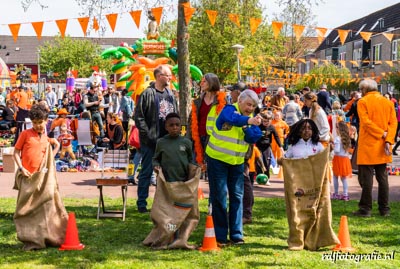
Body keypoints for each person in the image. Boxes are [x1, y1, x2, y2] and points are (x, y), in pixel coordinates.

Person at [205, 89, 262, 246]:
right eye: (248, 104)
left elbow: (254, 136)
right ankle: (221, 236)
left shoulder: (249, 118)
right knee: (220, 196)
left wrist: (248, 126)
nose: (250, 108)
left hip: (237, 163)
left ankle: (237, 235)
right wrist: (248, 123)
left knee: (237, 196)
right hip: (217, 159)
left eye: (253, 106)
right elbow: (231, 118)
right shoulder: (229, 109)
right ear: (240, 101)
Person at [13, 103, 68, 251]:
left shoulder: (45, 138)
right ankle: (29, 237)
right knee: (26, 208)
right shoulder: (25, 134)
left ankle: (43, 236)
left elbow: (50, 156)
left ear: (46, 121)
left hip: (42, 179)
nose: (38, 125)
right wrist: (21, 168)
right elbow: (16, 153)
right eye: (35, 123)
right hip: (28, 177)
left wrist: (56, 146)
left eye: (40, 122)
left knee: (42, 209)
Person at [134, 64, 178, 213]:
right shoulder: (147, 94)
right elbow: (139, 117)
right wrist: (148, 135)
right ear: (159, 76)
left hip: (167, 141)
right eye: (168, 75)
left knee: (165, 174)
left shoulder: (170, 94)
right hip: (150, 142)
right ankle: (141, 203)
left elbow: (175, 115)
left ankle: (163, 204)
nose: (170, 78)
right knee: (147, 171)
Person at [353, 79, 397, 217]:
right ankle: (384, 209)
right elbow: (393, 123)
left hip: (368, 145)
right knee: (382, 178)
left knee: (366, 179)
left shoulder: (363, 102)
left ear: (365, 89)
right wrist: (388, 139)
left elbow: (365, 123)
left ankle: (365, 208)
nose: (361, 92)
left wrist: (381, 134)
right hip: (384, 145)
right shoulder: (387, 102)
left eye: (361, 90)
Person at [188, 73, 225, 172]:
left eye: (204, 81)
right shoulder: (198, 101)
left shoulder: (222, 101)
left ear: (212, 83)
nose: (201, 83)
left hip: (214, 138)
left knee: (214, 170)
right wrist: (185, 136)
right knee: (196, 169)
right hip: (198, 138)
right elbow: (190, 121)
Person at [153, 112, 193, 182]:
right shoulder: (161, 142)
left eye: (177, 125)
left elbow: (191, 160)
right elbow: (155, 159)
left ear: (180, 127)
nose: (175, 127)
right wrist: (156, 165)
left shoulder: (187, 142)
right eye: (171, 125)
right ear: (166, 127)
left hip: (183, 182)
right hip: (166, 182)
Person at [242, 144, 266, 225]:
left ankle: (247, 212)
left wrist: (262, 166)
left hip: (250, 170)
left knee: (248, 188)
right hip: (249, 169)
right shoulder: (255, 148)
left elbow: (259, 158)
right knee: (247, 188)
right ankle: (243, 211)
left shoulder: (254, 148)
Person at [256, 110, 282, 180]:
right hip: (259, 146)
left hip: (267, 147)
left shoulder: (272, 127)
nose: (266, 123)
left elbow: (276, 136)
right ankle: (259, 177)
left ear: (270, 121)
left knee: (267, 162)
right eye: (264, 121)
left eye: (267, 121)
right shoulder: (259, 126)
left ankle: (266, 178)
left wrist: (280, 146)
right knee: (259, 161)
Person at [331, 121, 352, 201]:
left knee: (335, 176)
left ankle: (336, 193)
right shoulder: (347, 139)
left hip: (338, 159)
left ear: (339, 129)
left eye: (336, 127)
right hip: (345, 159)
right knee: (344, 178)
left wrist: (332, 147)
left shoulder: (337, 139)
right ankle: (345, 194)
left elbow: (336, 150)